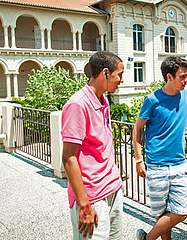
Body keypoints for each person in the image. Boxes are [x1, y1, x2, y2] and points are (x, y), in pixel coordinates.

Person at [133, 56, 187, 240]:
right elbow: (138, 128)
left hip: (179, 164)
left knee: (181, 213)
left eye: (186, 75)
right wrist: (139, 159)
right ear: (169, 77)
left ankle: (146, 239)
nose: (186, 80)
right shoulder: (152, 99)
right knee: (161, 212)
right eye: (182, 76)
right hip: (156, 164)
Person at [62, 51, 124, 240]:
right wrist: (84, 205)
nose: (121, 80)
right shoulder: (78, 105)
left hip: (112, 187)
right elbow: (68, 158)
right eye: (119, 75)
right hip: (92, 196)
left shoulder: (103, 99)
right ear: (105, 73)